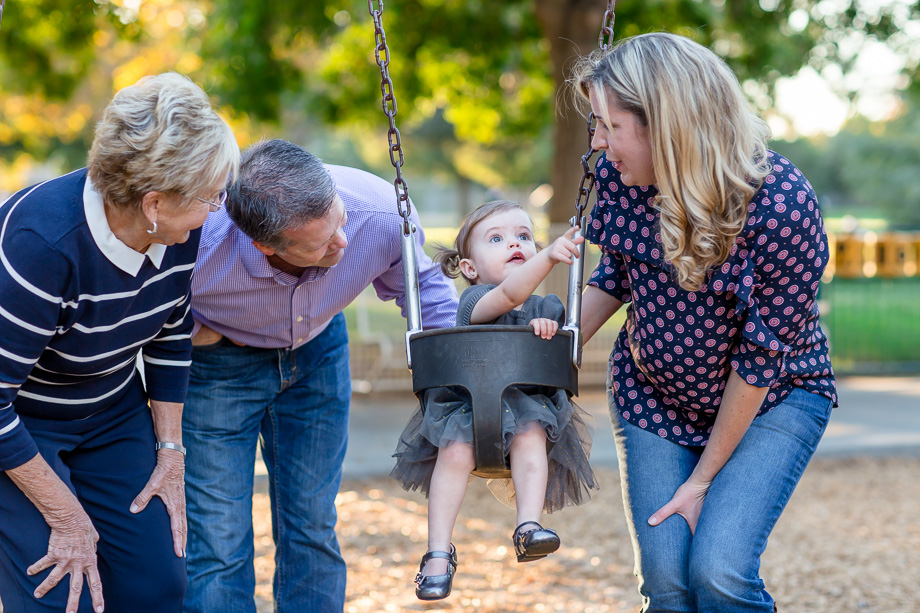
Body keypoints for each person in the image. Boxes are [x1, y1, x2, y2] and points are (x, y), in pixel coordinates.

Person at [572, 33, 837, 612]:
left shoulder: (781, 207)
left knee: (717, 572)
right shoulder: (623, 178)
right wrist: (551, 352)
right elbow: (616, 270)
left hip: (773, 398)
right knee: (668, 585)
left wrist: (701, 482)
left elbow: (760, 362)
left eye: (608, 127)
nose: (597, 143)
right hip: (655, 398)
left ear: (665, 125)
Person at [182, 138, 459, 613]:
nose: (343, 243)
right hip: (219, 370)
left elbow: (428, 295)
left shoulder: (377, 210)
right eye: (322, 243)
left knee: (311, 523)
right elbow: (143, 301)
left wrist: (460, 382)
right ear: (265, 245)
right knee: (218, 537)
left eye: (339, 222)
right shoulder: (201, 241)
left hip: (318, 355)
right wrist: (193, 331)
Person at [0, 73, 239, 613]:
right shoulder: (43, 244)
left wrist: (170, 451)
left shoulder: (179, 228)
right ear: (154, 203)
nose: (217, 208)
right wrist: (67, 516)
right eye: (210, 197)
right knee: (62, 594)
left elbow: (173, 328)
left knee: (155, 586)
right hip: (20, 425)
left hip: (109, 409)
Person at [390, 200, 599, 601]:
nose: (515, 244)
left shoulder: (547, 307)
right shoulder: (474, 302)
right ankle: (437, 553)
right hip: (469, 411)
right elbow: (508, 294)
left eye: (524, 236)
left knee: (532, 436)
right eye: (497, 238)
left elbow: (548, 326)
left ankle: (528, 528)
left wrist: (548, 326)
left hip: (528, 409)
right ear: (470, 269)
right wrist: (549, 257)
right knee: (452, 454)